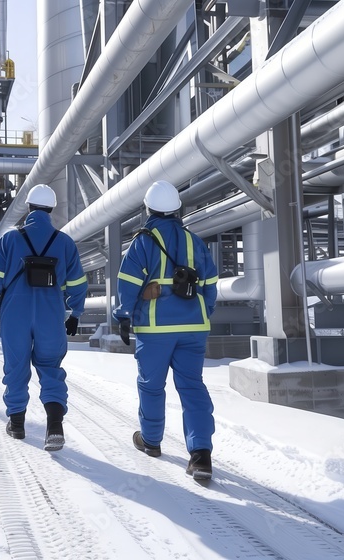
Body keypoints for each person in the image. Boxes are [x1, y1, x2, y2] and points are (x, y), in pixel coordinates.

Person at [113, 180, 219, 481]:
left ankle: (151, 440)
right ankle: (200, 455)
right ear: (177, 210)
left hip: (157, 327)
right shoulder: (194, 241)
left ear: (148, 209)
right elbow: (210, 286)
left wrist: (123, 315)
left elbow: (129, 285)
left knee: (151, 384)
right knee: (192, 386)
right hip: (194, 327)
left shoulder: (144, 241)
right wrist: (201, 313)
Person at [0, 184, 88, 451]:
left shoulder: (10, 239)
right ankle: (54, 426)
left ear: (28, 208)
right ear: (51, 209)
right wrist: (75, 313)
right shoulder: (64, 243)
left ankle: (17, 424)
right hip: (51, 314)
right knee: (50, 367)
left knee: (16, 368)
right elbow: (77, 283)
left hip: (15, 313)